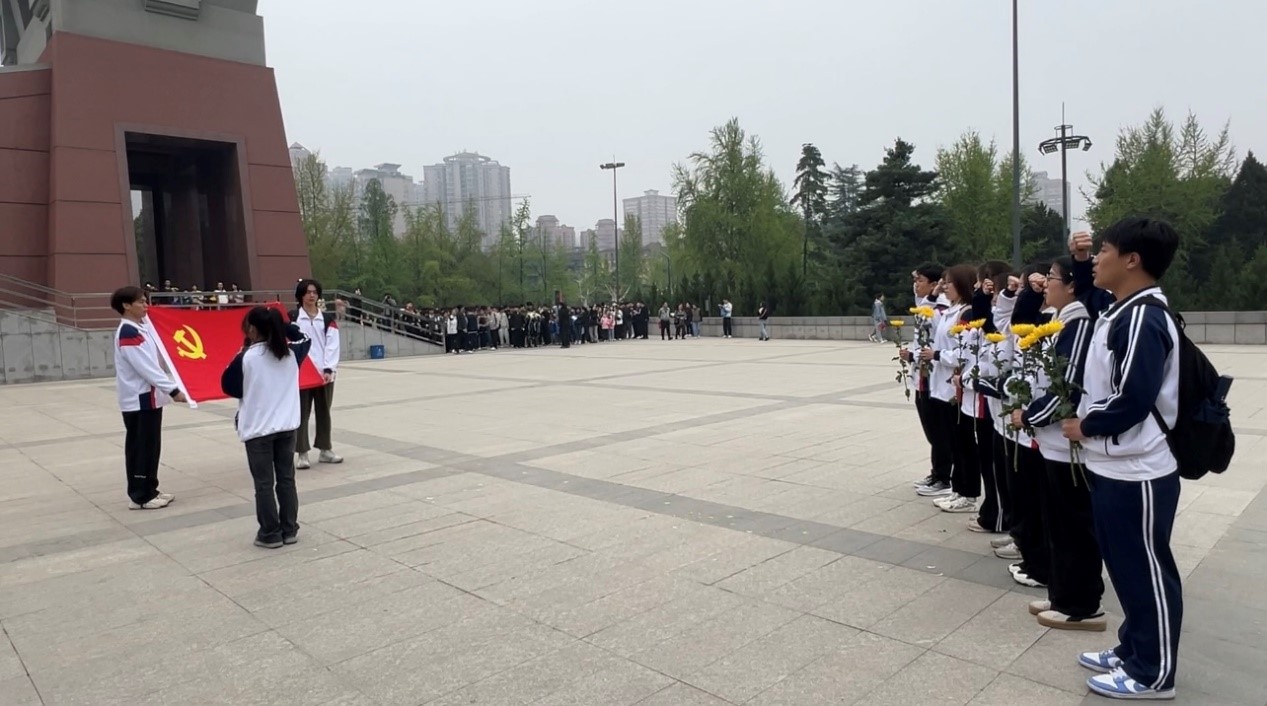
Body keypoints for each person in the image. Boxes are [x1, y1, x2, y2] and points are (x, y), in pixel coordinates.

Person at [1061, 218, 1183, 700]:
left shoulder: (1143, 318)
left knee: (1147, 570)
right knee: (1126, 568)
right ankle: (1133, 648)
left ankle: (1154, 672)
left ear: (1132, 260)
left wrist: (1085, 426)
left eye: (1104, 250)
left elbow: (1133, 398)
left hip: (1140, 470)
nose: (1096, 259)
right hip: (1114, 465)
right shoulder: (1120, 310)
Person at [1016, 255, 1105, 631]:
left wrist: (1029, 417)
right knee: (1058, 525)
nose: (1044, 284)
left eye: (1051, 278)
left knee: (1073, 527)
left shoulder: (1078, 324)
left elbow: (1066, 387)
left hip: (1069, 449)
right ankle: (1061, 594)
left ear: (1071, 285)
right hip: (1053, 445)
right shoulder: (1059, 322)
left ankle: (1081, 605)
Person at [220, 307, 311, 549]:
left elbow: (229, 386)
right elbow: (304, 337)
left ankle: (270, 533)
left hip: (258, 430)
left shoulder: (246, 357)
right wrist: (283, 327)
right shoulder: (291, 353)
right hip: (286, 427)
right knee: (286, 479)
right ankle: (289, 528)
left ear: (252, 329)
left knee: (263, 484)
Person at [111, 286, 187, 510]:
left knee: (151, 446)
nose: (146, 306)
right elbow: (146, 367)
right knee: (141, 447)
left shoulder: (142, 327)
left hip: (150, 398)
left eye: (146, 301)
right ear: (126, 305)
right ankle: (140, 495)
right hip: (140, 399)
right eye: (141, 302)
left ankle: (150, 488)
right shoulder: (128, 332)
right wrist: (173, 389)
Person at [291, 279, 343, 469]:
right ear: (301, 295)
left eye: (314, 292)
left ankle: (325, 449)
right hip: (302, 374)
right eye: (308, 292)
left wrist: (329, 368)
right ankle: (302, 453)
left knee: (324, 412)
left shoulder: (327, 319)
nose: (311, 295)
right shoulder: (293, 318)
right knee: (301, 413)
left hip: (323, 374)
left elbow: (332, 345)